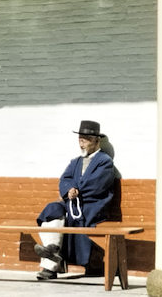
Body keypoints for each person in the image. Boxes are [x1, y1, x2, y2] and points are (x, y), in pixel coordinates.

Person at [33, 120, 120, 281]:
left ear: (96, 140)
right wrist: (68, 190)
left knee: (72, 218)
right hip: (72, 204)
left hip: (91, 206)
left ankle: (50, 266)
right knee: (52, 210)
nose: (82, 142)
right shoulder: (75, 162)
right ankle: (52, 252)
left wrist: (76, 191)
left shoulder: (105, 162)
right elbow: (64, 179)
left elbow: (97, 185)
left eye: (85, 139)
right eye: (80, 138)